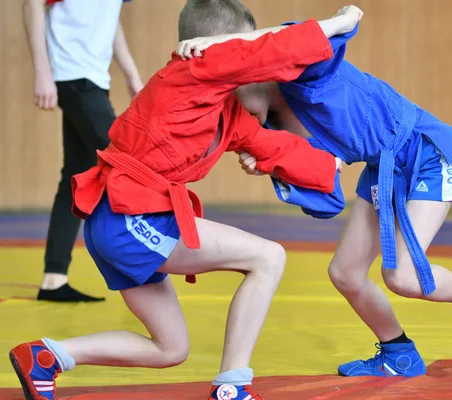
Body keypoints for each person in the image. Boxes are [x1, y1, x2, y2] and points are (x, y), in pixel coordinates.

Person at [9, 2, 361, 399]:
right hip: (129, 217)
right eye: (243, 50)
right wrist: (339, 25)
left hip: (123, 221)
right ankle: (233, 387)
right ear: (219, 47)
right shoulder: (190, 73)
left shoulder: (226, 110)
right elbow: (269, 48)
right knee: (268, 257)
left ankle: (48, 356)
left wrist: (331, 165)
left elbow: (272, 146)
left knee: (170, 348)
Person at [178, 14, 452, 378]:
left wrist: (227, 44)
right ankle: (398, 353)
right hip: (384, 167)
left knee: (403, 277)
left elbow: (321, 33)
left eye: (233, 88)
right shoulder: (270, 129)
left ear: (250, 63)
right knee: (346, 273)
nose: (235, 112)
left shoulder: (301, 73)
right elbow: (327, 203)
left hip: (428, 151)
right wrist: (274, 166)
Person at [23, 0, 144, 302]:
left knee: (76, 177)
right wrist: (42, 71)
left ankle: (54, 278)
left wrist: (131, 75)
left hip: (94, 78)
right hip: (71, 74)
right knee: (129, 163)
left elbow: (109, 17)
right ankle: (141, 270)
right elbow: (32, 3)